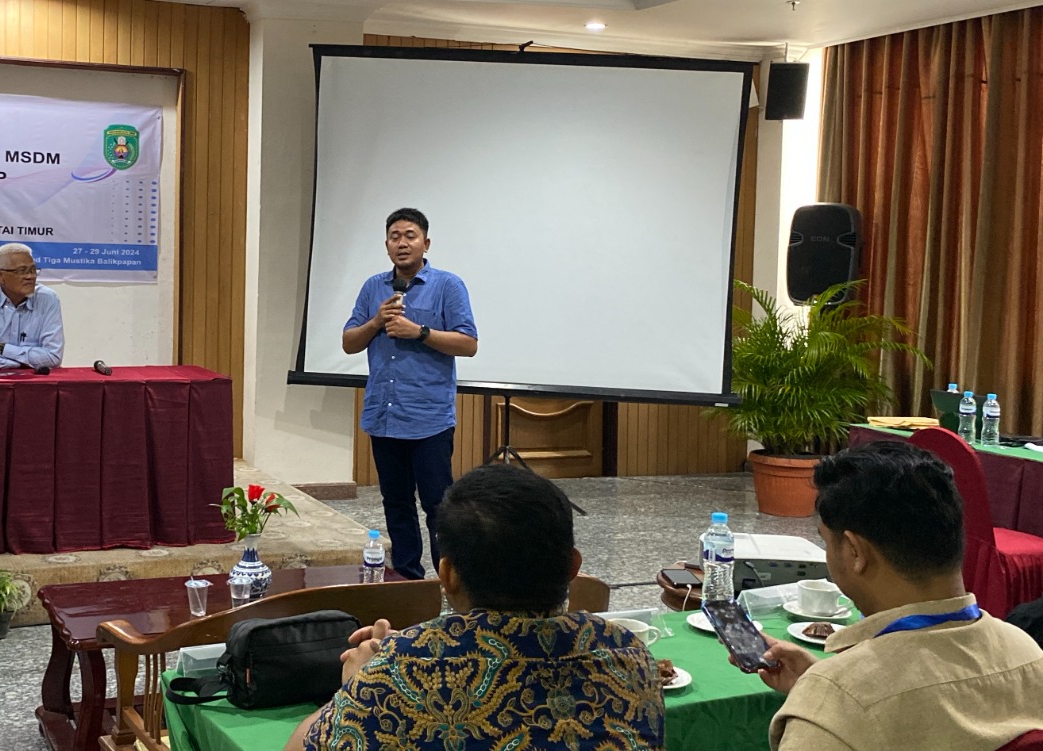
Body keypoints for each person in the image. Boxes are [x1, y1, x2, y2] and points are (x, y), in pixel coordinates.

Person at [289, 463, 664, 751]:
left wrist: (356, 685)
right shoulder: (629, 657)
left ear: (447, 574)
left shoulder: (391, 677)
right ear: (573, 567)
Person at [755, 441, 1043, 750]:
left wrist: (826, 696)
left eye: (826, 542)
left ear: (854, 551)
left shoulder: (837, 702)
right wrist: (825, 686)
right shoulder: (1027, 652)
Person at [341, 208, 476, 580]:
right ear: (386, 245)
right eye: (395, 236)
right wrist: (376, 321)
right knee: (396, 504)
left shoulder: (448, 286)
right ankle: (406, 578)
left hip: (428, 418)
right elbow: (349, 342)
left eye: (410, 236)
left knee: (438, 506)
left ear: (425, 243)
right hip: (383, 417)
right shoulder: (373, 288)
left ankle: (451, 581)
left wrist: (419, 332)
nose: (402, 243)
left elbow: (468, 343)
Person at [0, 243, 64, 370]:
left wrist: (3, 349)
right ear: (0, 276)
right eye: (22, 271)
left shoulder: (48, 299)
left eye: (33, 270)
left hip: (36, 380)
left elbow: (53, 356)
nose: (31, 276)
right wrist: (20, 364)